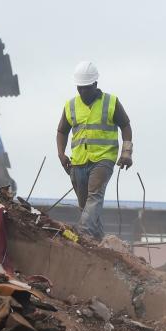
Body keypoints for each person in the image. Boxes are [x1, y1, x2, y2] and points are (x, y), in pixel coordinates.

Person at [55, 61, 133, 240]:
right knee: (86, 208)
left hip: (103, 159)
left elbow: (125, 125)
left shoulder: (111, 102)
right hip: (78, 162)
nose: (83, 92)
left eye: (86, 88)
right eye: (79, 88)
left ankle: (81, 233)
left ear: (95, 85)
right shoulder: (71, 105)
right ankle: (99, 244)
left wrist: (126, 152)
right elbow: (62, 130)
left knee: (94, 197)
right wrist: (61, 153)